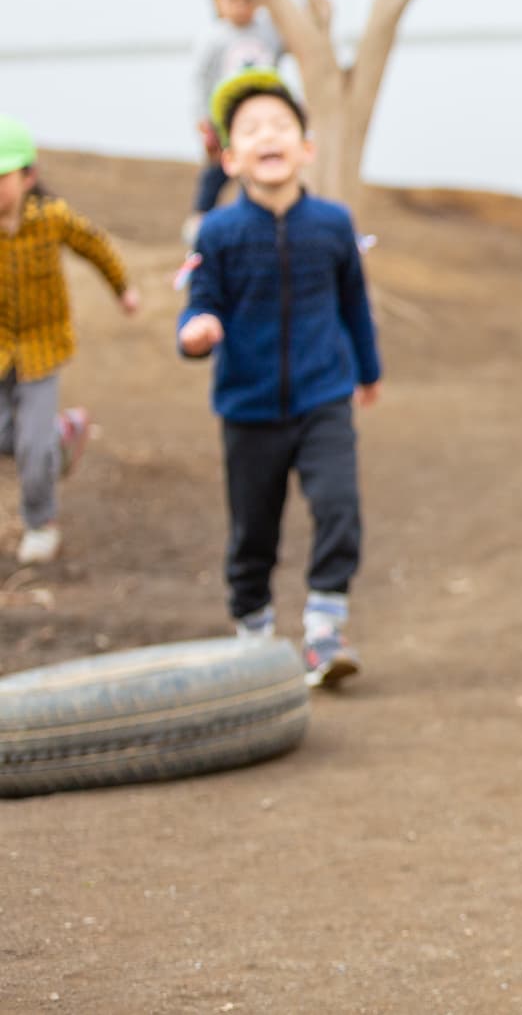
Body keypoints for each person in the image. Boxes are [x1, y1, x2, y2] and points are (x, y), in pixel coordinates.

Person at [177, 69, 381, 689]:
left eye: (281, 126)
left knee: (339, 506)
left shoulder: (332, 224)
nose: (269, 135)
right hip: (249, 405)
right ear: (230, 156)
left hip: (324, 395)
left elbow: (354, 303)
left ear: (306, 147)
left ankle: (324, 627)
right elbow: (199, 301)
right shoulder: (218, 233)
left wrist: (368, 372)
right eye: (252, 129)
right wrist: (196, 330)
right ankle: (254, 630)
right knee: (254, 527)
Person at [0, 115, 138, 565]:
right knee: (18, 439)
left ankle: (41, 524)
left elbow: (94, 245)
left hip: (43, 348)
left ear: (28, 177)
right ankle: (63, 434)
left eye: (2, 177)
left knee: (30, 447)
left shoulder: (51, 218)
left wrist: (123, 290)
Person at [186, 0, 286, 244]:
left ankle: (262, 222)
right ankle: (200, 220)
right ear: (219, 1)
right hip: (225, 119)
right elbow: (200, 80)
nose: (242, 6)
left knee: (259, 167)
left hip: (264, 116)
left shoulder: (269, 31)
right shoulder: (214, 37)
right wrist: (202, 120)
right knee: (218, 171)